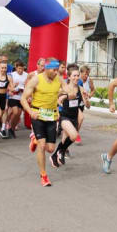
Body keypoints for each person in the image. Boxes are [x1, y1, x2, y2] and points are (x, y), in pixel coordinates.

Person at [21, 58, 74, 187]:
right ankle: (44, 175)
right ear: (46, 68)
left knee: (50, 149)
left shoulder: (59, 79)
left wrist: (69, 92)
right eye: (54, 70)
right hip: (37, 114)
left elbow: (69, 90)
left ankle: (34, 139)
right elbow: (23, 99)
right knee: (42, 145)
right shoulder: (36, 79)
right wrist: (30, 112)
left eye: (57, 69)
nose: (56, 72)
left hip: (51, 116)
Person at [50, 65, 90, 167]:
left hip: (74, 118)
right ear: (69, 77)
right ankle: (61, 152)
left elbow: (88, 106)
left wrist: (86, 98)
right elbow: (57, 100)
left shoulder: (81, 88)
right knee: (74, 135)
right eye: (74, 76)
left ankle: (56, 155)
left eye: (78, 75)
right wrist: (62, 100)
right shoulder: (65, 88)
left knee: (69, 139)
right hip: (64, 117)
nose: (76, 78)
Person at [75, 65, 95, 144]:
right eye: (85, 74)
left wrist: (90, 95)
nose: (86, 76)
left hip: (82, 103)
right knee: (80, 118)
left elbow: (93, 90)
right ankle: (75, 135)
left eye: (88, 74)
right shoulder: (76, 79)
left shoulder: (89, 80)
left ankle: (74, 133)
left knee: (78, 120)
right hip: (75, 102)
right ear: (81, 73)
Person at [7, 60, 28, 138]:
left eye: (22, 69)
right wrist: (13, 88)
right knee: (15, 112)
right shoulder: (11, 75)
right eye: (19, 68)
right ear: (16, 68)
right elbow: (8, 85)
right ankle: (9, 126)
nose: (20, 70)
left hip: (22, 97)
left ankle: (12, 129)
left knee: (18, 114)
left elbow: (27, 85)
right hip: (13, 96)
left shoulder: (26, 75)